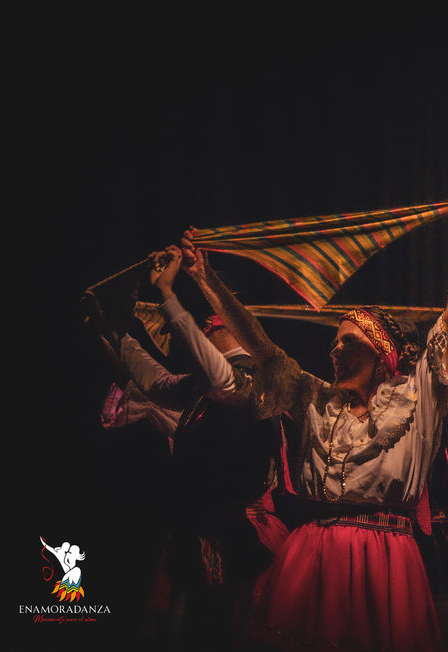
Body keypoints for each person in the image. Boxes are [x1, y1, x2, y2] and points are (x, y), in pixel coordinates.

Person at [177, 195, 448, 652]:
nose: (335, 350)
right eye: (334, 342)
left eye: (348, 341)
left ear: (382, 354)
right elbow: (261, 346)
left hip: (388, 560)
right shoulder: (313, 399)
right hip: (315, 557)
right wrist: (205, 278)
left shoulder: (417, 400)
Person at [90, 247, 290, 651]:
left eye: (212, 324)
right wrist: (113, 331)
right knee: (188, 629)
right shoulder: (205, 388)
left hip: (233, 535)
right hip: (197, 526)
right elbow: (154, 381)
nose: (205, 327)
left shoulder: (249, 382)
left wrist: (168, 293)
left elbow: (212, 368)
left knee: (223, 631)